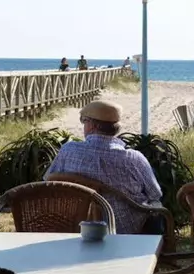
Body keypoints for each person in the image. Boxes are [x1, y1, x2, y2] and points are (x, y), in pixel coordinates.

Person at [43, 100, 162, 234]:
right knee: (156, 211)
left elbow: (49, 180)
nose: (83, 125)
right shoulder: (133, 158)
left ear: (92, 125)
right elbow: (155, 194)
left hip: (77, 226)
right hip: (126, 231)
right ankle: (158, 252)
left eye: (84, 121)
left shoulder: (68, 151)